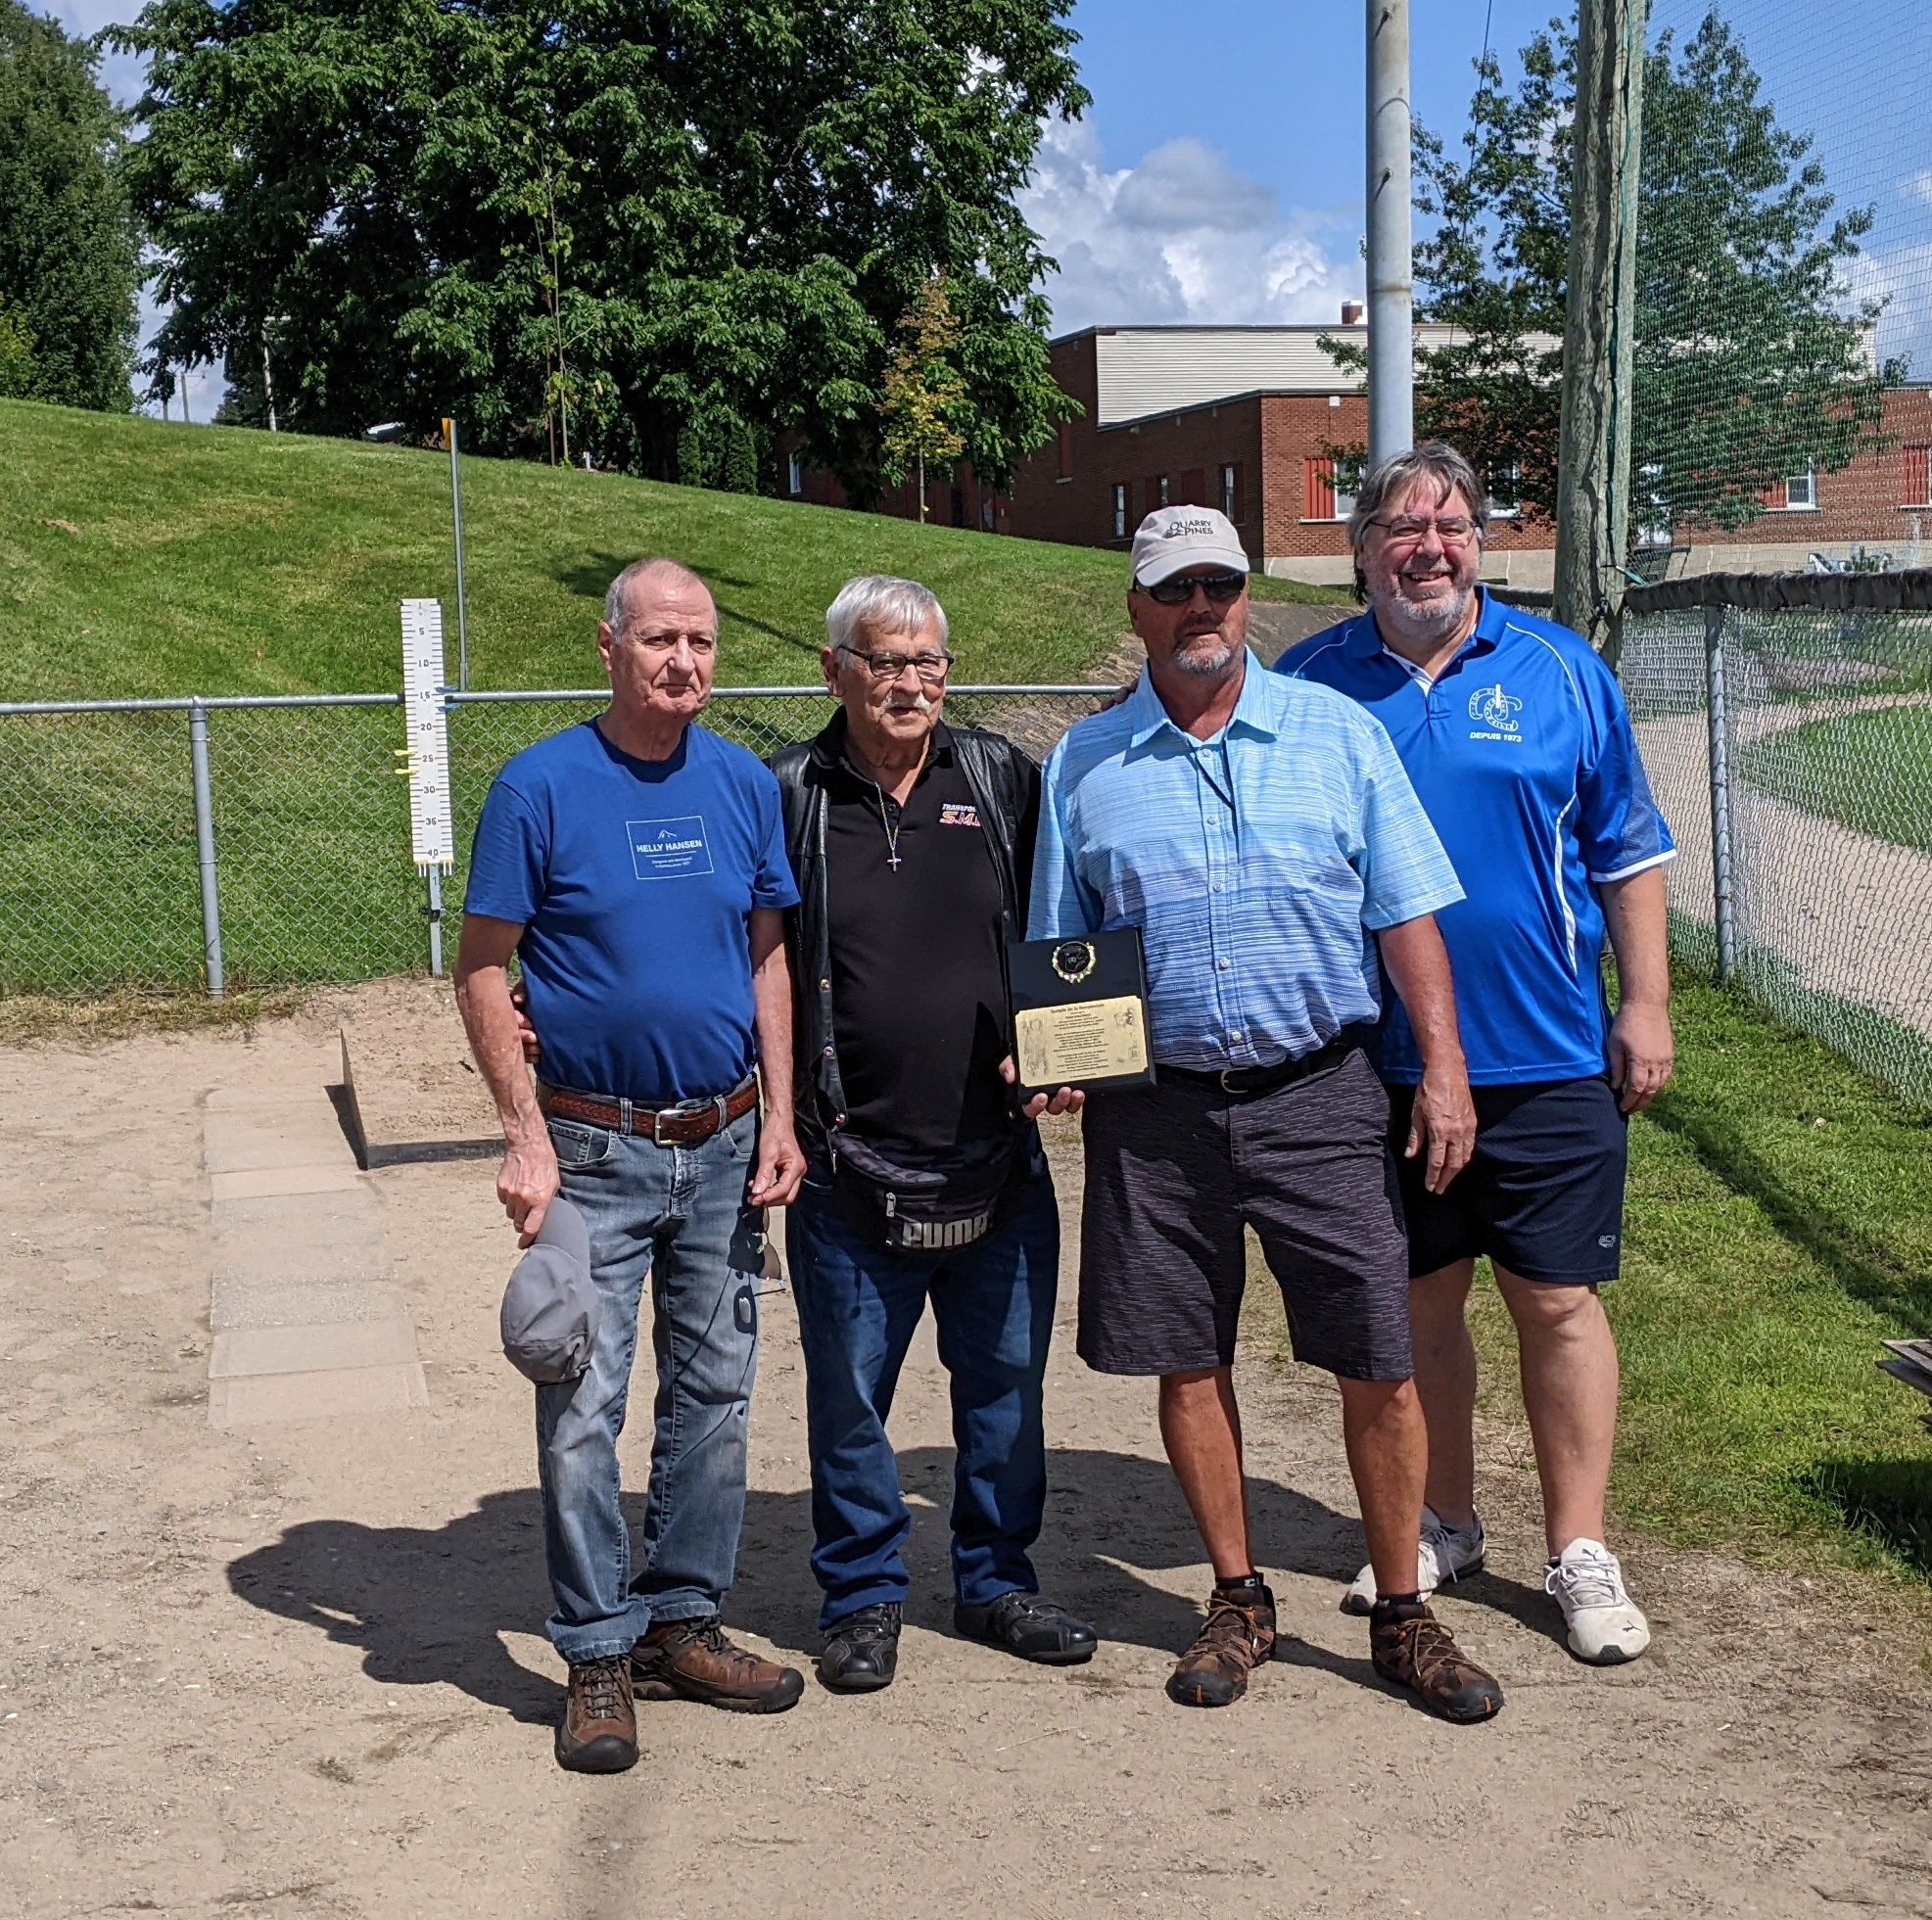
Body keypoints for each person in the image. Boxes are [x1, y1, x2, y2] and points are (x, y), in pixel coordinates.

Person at [1029, 503, 1505, 1722]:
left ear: (1247, 597)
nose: (1202, 609)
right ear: (1134, 607)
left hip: (1320, 1093)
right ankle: (1237, 1596)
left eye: (1221, 586)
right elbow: (1060, 947)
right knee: (1185, 1356)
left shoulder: (1336, 735)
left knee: (1372, 1354)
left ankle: (1401, 1607)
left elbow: (1406, 917)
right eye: (1175, 588)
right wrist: (1058, 1057)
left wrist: (1440, 1067)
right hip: (1160, 1113)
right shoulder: (1084, 763)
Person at [1277, 444, 1675, 1664]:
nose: (1428, 547)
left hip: (1547, 1049)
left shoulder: (1562, 671)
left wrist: (1645, 1003)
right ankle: (1445, 1517)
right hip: (1374, 1063)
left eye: (1451, 524)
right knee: (1415, 1305)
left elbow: (1625, 850)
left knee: (1555, 1300)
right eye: (1402, 526)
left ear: (1484, 542)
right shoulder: (1304, 682)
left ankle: (1579, 1547)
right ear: (1360, 551)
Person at [455, 557, 808, 1775]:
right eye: (661, 638)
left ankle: (680, 1621)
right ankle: (597, 1651)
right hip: (594, 1147)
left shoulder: (741, 783)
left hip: (719, 1143)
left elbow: (768, 958)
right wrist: (523, 1133)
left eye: (702, 640)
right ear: (607, 646)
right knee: (580, 1407)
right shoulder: (539, 787)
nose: (686, 662)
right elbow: (483, 967)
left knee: (713, 1401)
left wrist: (779, 1115)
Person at [770, 575, 1095, 1691]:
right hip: (845, 1169)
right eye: (883, 660)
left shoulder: (1002, 778)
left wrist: (1066, 1051)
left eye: (927, 663)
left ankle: (996, 1579)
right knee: (848, 1399)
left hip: (996, 1161)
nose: (908, 683)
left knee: (1002, 1389)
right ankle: (860, 1595)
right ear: (833, 670)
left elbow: (1074, 921)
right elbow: (744, 955)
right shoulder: (790, 794)